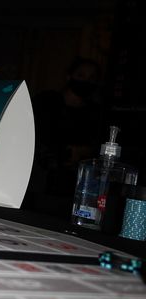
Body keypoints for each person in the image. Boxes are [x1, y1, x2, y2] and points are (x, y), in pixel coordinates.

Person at [24, 57, 106, 217]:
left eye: (92, 78)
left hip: (74, 188)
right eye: (81, 76)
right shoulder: (47, 101)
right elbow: (33, 136)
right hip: (39, 181)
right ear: (69, 76)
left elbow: (98, 146)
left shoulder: (95, 113)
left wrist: (85, 152)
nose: (86, 82)